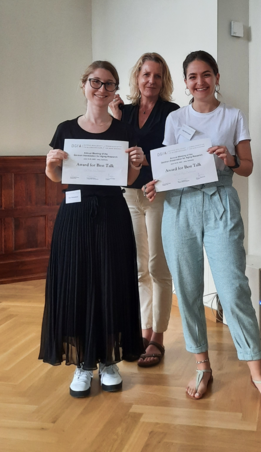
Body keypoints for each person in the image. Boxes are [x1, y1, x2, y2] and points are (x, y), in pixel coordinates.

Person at [142, 50, 261, 413]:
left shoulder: (233, 116)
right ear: (185, 82)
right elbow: (168, 167)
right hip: (179, 206)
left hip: (221, 200)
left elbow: (248, 167)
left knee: (234, 288)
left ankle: (257, 374)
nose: (200, 82)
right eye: (192, 77)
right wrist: (156, 184)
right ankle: (202, 367)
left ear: (217, 76)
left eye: (206, 74)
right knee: (187, 289)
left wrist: (230, 159)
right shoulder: (175, 118)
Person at [39, 60, 146, 398]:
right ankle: (83, 364)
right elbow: (56, 177)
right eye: (96, 82)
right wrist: (50, 165)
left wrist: (136, 165)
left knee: (112, 282)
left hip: (113, 212)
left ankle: (109, 361)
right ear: (84, 85)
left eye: (109, 84)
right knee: (79, 283)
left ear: (115, 90)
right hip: (75, 214)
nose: (102, 89)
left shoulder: (125, 131)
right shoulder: (66, 129)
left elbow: (127, 180)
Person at [109, 53, 179, 368]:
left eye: (157, 76)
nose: (151, 81)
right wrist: (114, 119)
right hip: (128, 195)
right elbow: (115, 153)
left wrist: (149, 163)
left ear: (164, 81)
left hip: (158, 195)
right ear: (137, 77)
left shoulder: (172, 113)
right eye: (146, 74)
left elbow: (176, 157)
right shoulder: (123, 111)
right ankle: (143, 330)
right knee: (139, 269)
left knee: (158, 266)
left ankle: (158, 337)